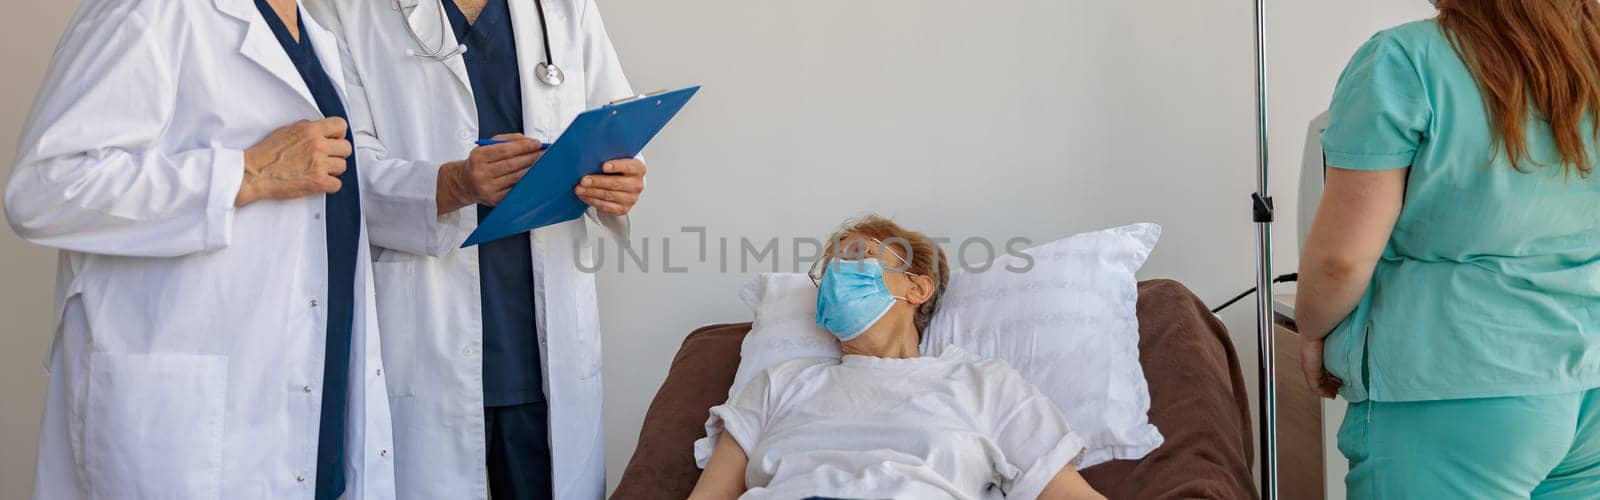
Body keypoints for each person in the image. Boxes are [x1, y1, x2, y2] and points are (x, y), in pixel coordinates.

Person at [3, 0, 395, 498]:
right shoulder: (149, 9)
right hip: (189, 429)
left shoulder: (314, 33)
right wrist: (247, 173)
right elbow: (43, 190)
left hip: (308, 401)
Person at [301, 0, 643, 497]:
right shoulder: (346, 12)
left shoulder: (565, 9)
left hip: (542, 354)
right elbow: (342, 170)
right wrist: (451, 183)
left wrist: (622, 183)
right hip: (425, 337)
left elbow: (617, 129)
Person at [1296, 0, 1600, 497]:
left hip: (1452, 391)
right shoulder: (1589, 54)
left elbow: (1341, 259)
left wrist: (1312, 330)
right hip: (1587, 385)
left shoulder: (1404, 60)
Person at [689, 216, 1105, 500]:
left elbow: (1069, 494)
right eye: (826, 272)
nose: (835, 276)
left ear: (917, 289)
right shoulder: (777, 385)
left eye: (855, 257)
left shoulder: (984, 385)